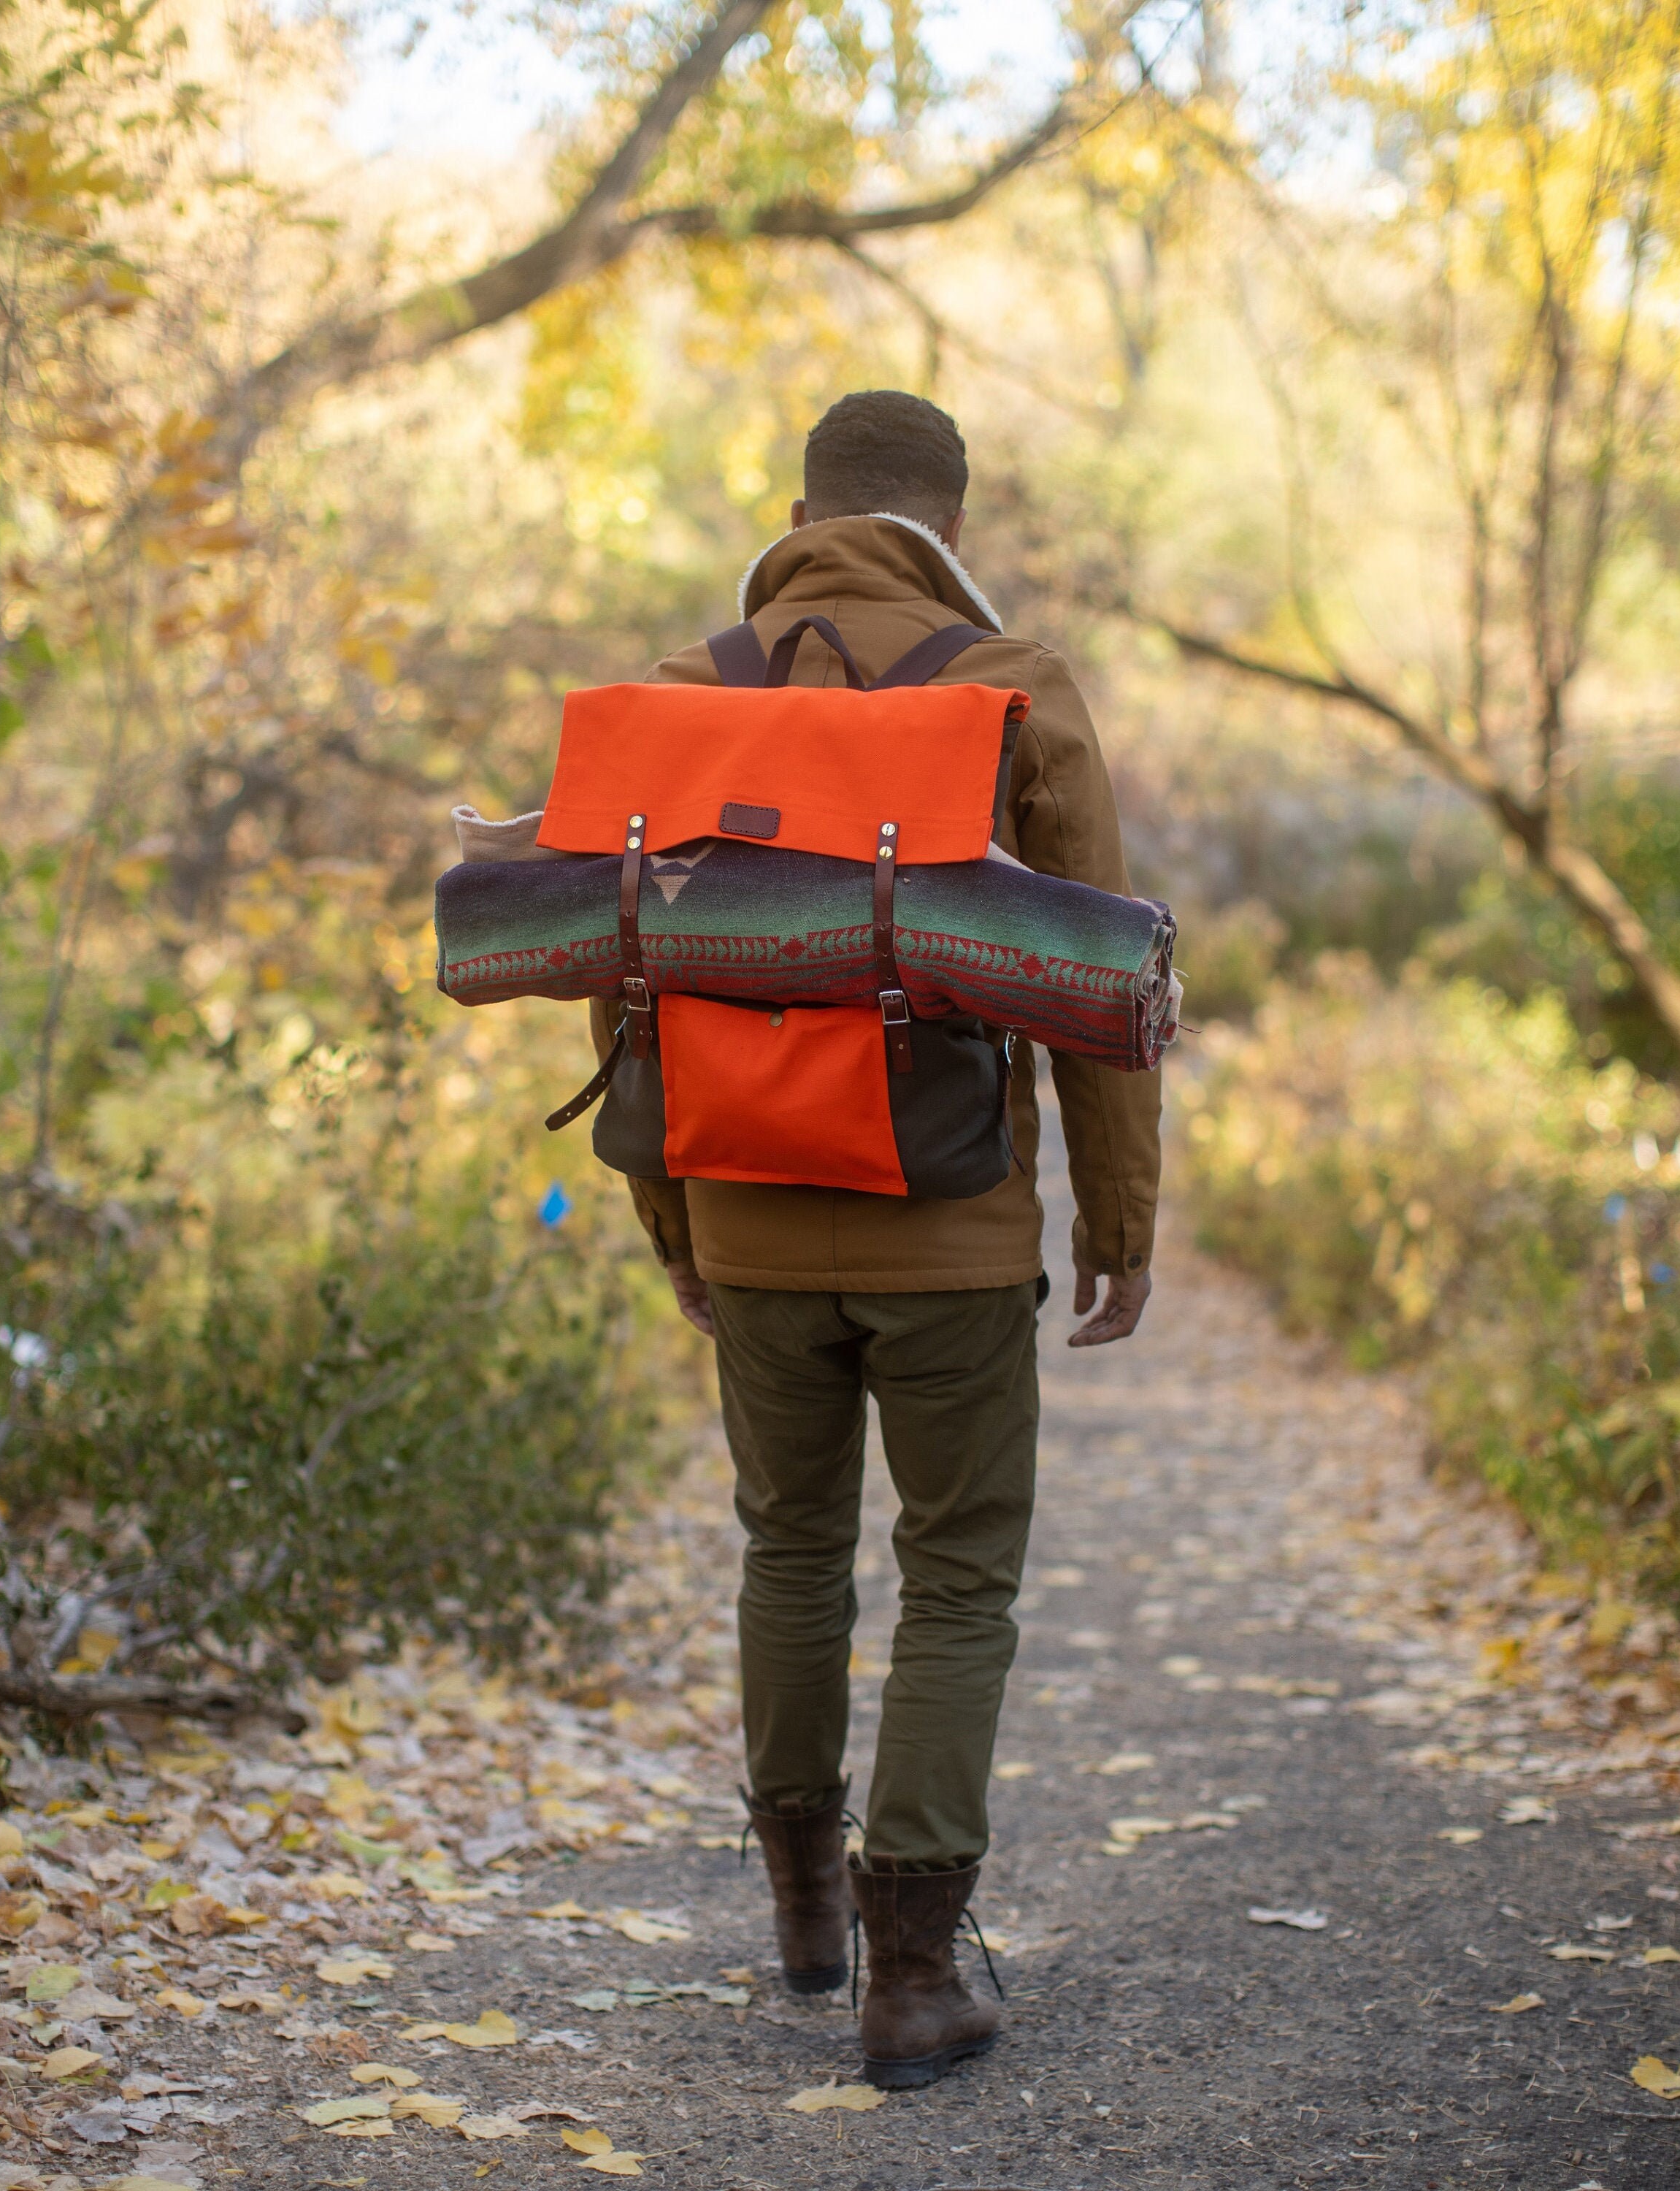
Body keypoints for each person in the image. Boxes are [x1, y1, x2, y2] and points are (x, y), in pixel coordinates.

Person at [589, 389, 1160, 2088]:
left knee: (786, 1553)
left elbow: (627, 980)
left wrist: (670, 1218)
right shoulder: (1013, 686)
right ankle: (909, 1981)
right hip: (951, 1227)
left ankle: (802, 1919)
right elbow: (1098, 985)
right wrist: (1117, 1217)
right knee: (957, 1580)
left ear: (801, 518)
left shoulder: (687, 693)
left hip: (748, 1218)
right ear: (950, 528)